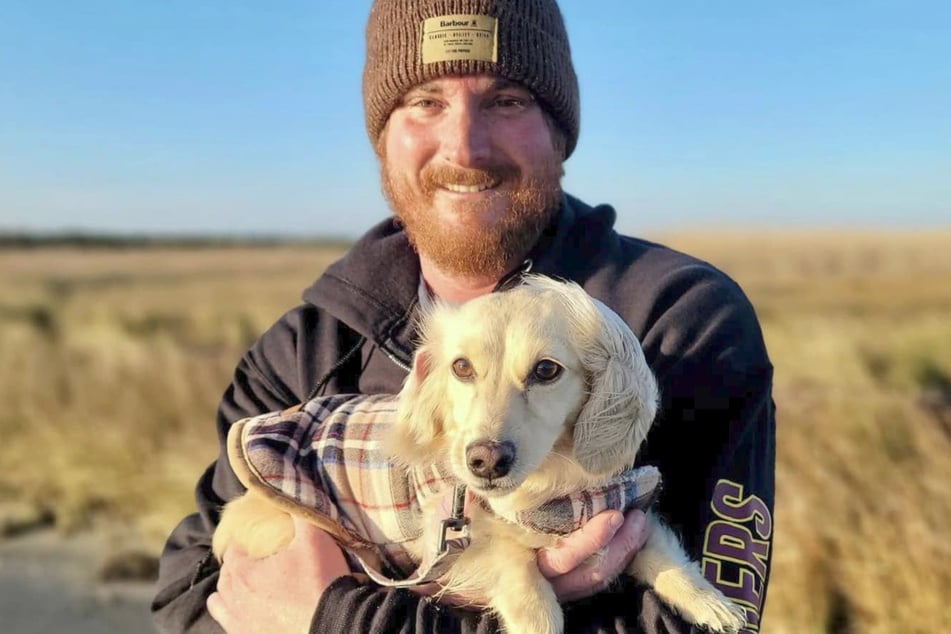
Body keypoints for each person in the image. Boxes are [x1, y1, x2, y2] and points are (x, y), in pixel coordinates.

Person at [151, 0, 776, 632]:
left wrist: (337, 617)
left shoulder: (682, 323)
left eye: (506, 100)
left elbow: (713, 624)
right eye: (426, 100)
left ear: (559, 134)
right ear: (382, 138)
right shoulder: (302, 352)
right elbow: (188, 598)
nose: (465, 146)